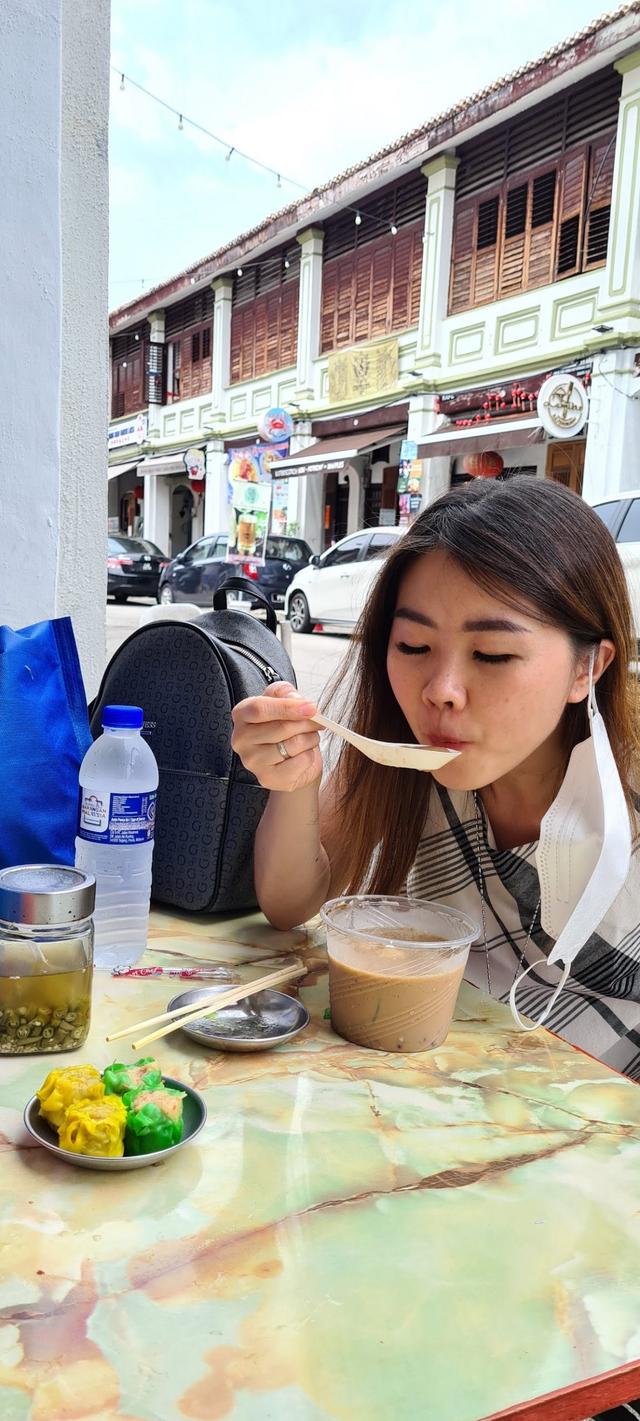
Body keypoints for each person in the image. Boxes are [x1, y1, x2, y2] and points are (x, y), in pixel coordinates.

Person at [231, 476, 640, 1080]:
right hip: (436, 1085)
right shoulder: (402, 760)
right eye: (414, 645)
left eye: (493, 655)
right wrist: (293, 783)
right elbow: (291, 904)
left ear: (588, 666)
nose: (440, 692)